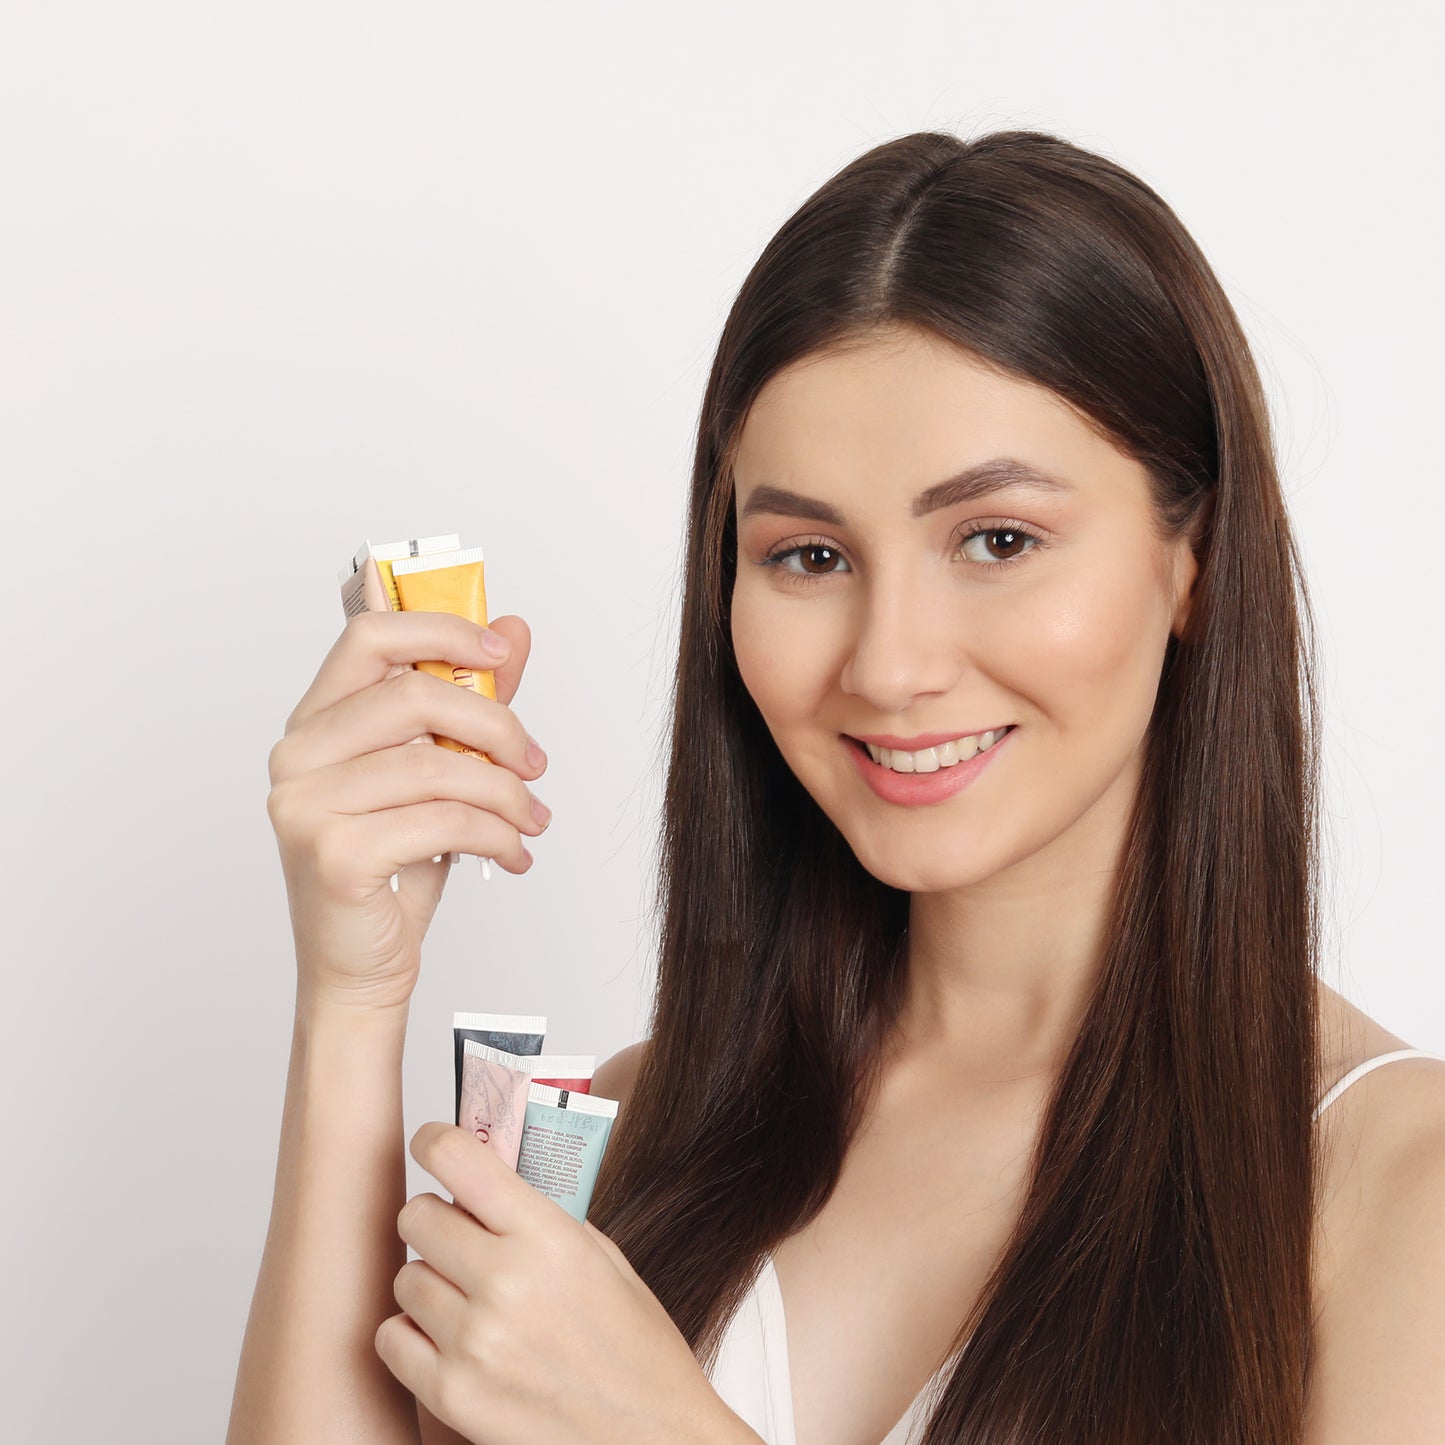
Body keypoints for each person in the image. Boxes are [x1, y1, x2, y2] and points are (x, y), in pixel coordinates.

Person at [227, 130, 1445, 1445]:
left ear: (1192, 558)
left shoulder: (1396, 1188)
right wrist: (353, 998)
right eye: (809, 555)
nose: (889, 665)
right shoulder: (631, 1136)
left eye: (997, 539)